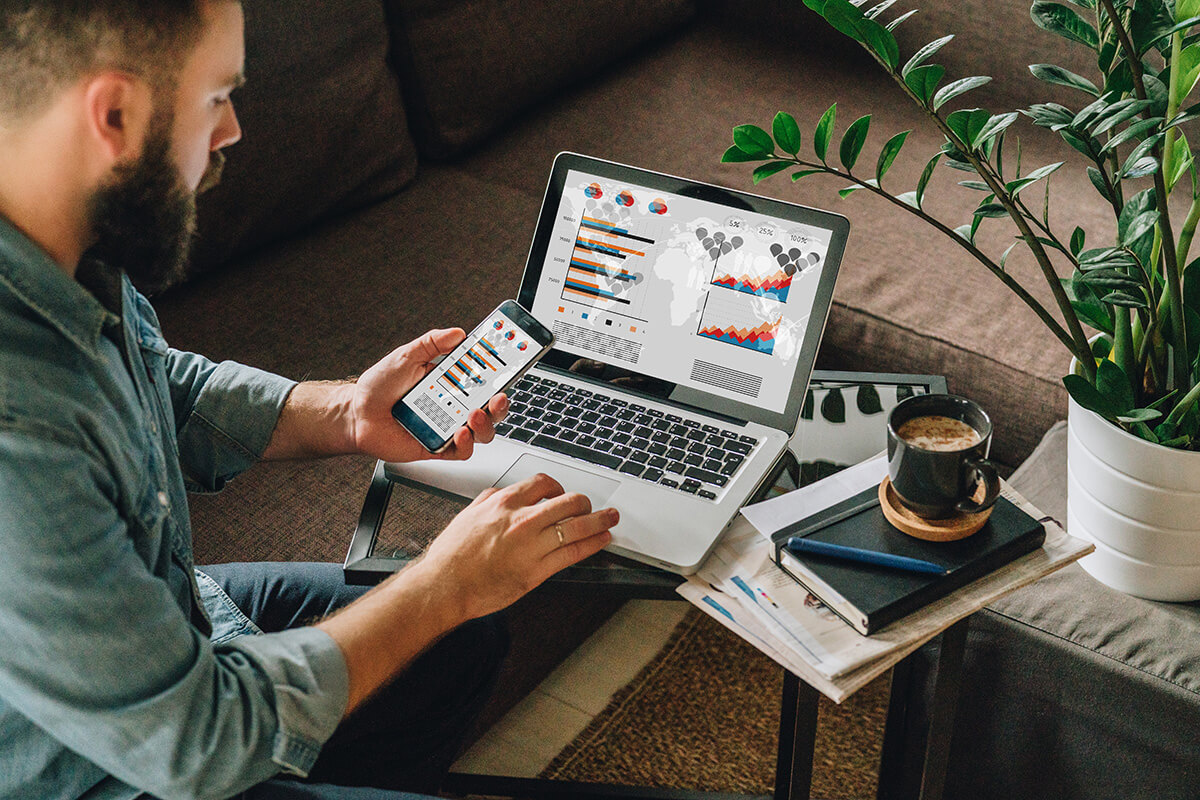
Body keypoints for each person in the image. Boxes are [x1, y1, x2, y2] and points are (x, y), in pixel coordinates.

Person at [0, 2, 617, 798]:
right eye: (218, 98)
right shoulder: (17, 425)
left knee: (462, 645)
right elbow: (196, 738)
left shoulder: (64, 245)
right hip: (102, 768)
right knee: (448, 608)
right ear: (113, 113)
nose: (231, 133)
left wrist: (347, 413)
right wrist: (444, 581)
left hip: (168, 621)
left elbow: (153, 385)